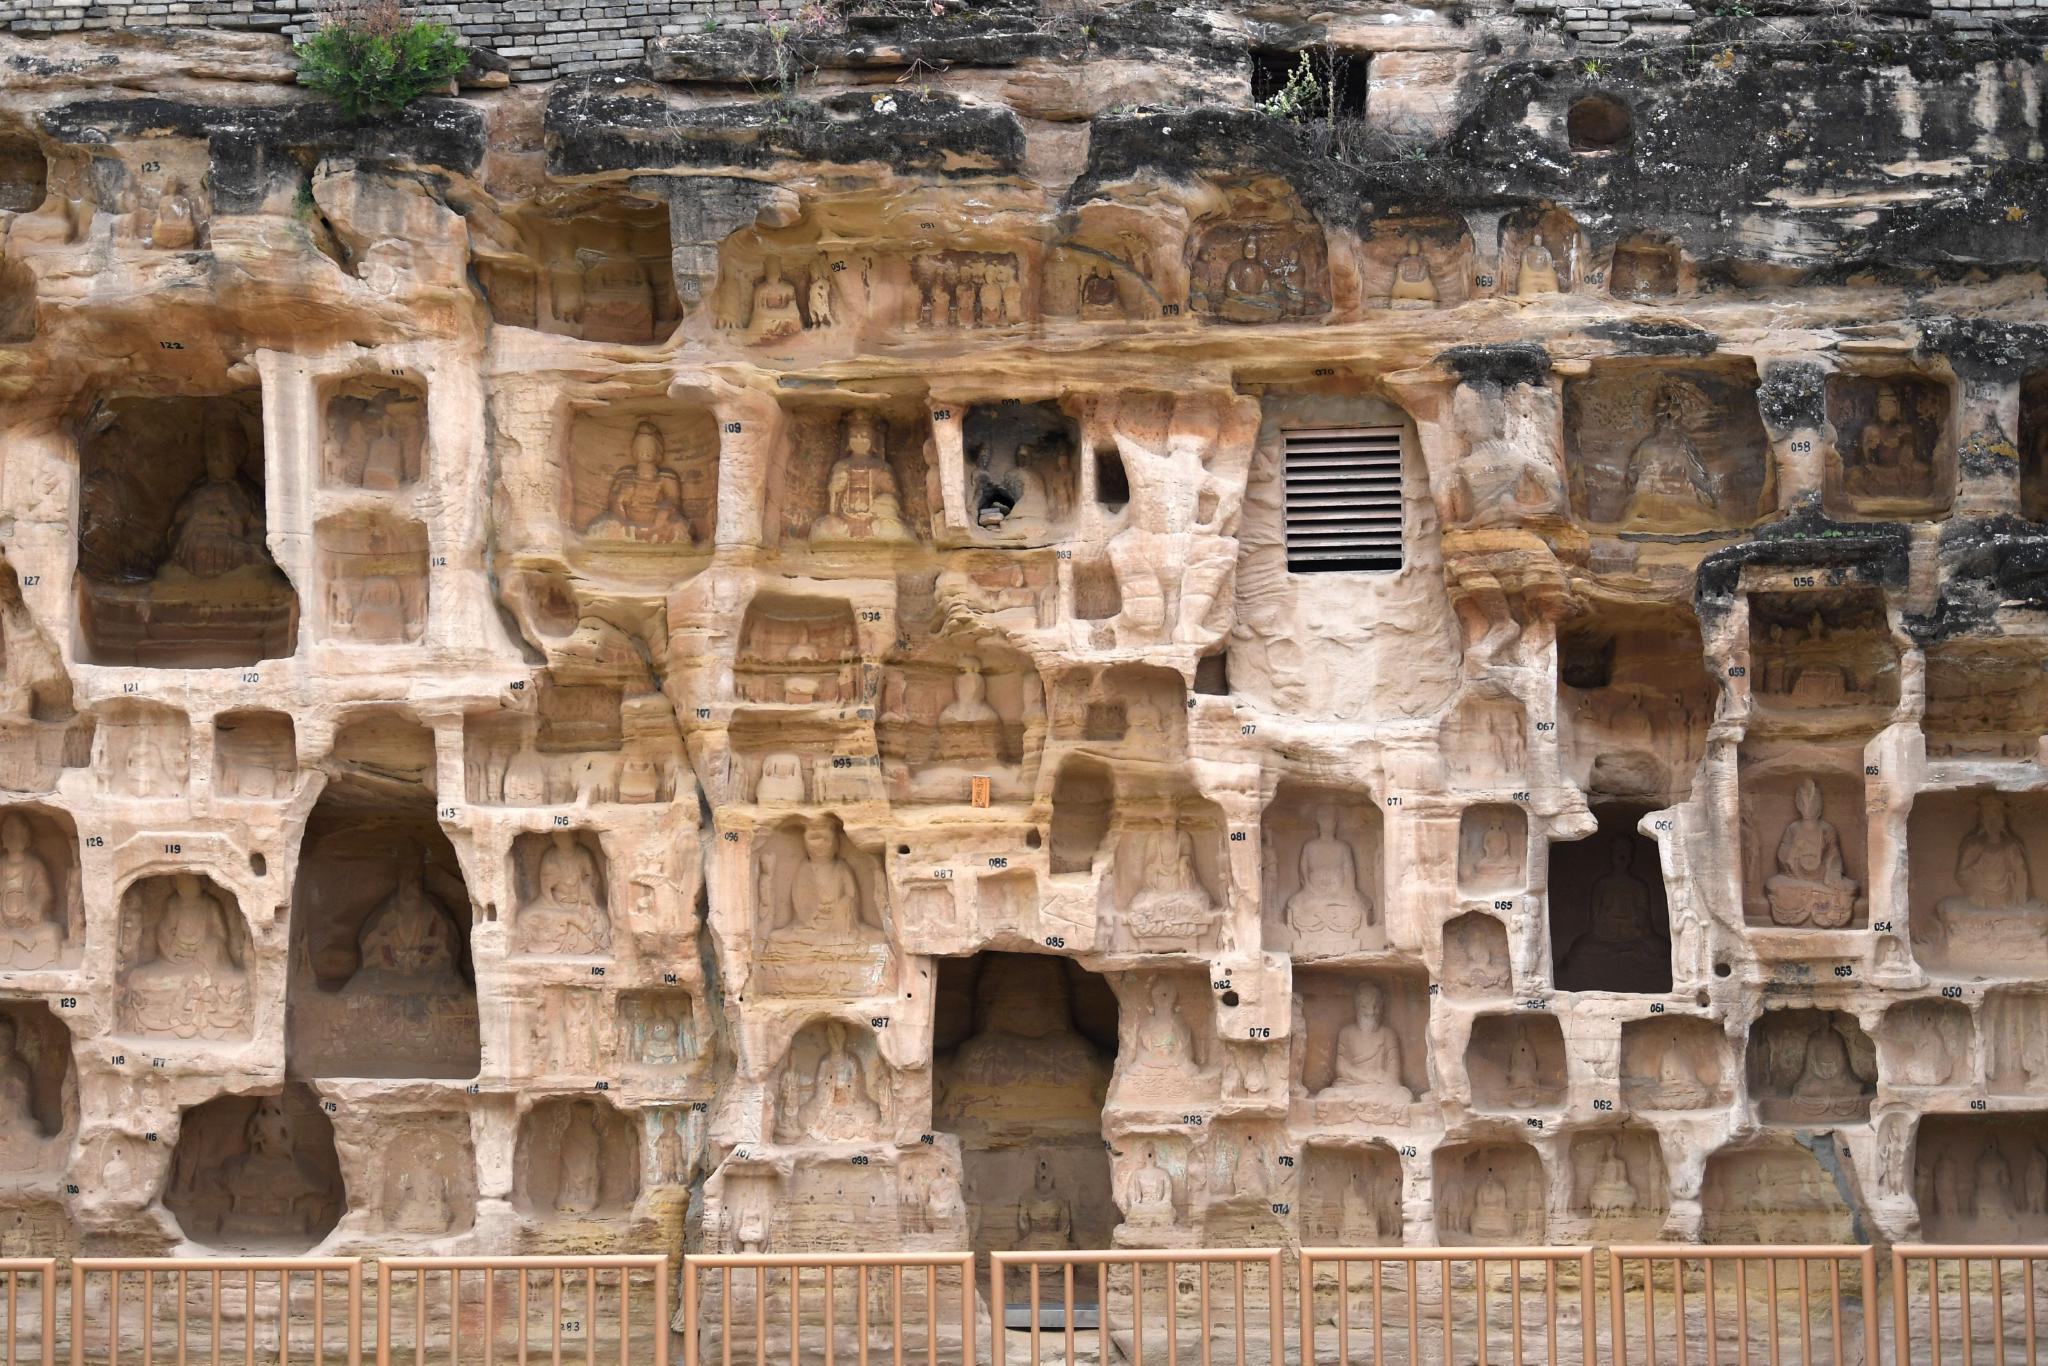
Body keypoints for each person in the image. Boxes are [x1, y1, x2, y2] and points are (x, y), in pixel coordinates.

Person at [811, 411, 911, 542]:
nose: (859, 440)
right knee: (821, 529)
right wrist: (833, 492)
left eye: (864, 436)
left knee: (896, 531)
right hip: (845, 522)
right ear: (847, 439)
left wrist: (882, 502)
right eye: (854, 436)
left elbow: (894, 498)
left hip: (874, 521)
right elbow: (833, 511)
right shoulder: (841, 466)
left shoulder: (882, 467)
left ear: (873, 439)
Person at [583, 422, 689, 543]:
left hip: (656, 523)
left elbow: (674, 502)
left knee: (680, 528)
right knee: (601, 526)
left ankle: (646, 535)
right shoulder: (624, 474)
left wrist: (664, 510)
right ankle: (640, 536)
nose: (645, 451)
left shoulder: (667, 476)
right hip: (627, 522)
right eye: (641, 446)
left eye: (650, 447)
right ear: (634, 448)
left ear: (658, 449)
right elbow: (612, 503)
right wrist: (621, 497)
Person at [1285, 805, 1372, 937]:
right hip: (1313, 893)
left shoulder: (1343, 848)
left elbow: (1349, 877)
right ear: (1318, 821)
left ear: (1335, 822)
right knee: (1295, 905)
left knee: (1356, 906)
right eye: (1323, 819)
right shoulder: (1310, 846)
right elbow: (1303, 875)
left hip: (1340, 893)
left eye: (1330, 819)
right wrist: (1312, 889)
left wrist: (1341, 892)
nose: (1326, 823)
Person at [0, 814, 59, 968]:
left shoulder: (34, 864)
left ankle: (23, 950)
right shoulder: (1, 864)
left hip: (29, 923)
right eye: (8, 832)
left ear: (26, 836)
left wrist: (36, 906)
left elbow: (44, 892)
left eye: (18, 832)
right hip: (2, 922)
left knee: (53, 932)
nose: (13, 836)